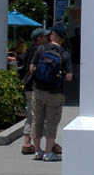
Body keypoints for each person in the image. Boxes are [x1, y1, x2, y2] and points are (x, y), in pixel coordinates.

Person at [29, 24, 73, 161]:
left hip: (39, 91)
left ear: (53, 35)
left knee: (37, 120)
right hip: (55, 93)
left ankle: (37, 151)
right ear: (63, 39)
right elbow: (69, 77)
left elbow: (31, 68)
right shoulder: (64, 54)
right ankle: (48, 153)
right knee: (52, 122)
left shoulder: (41, 49)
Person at [19, 28, 49, 154]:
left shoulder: (28, 51)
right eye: (45, 36)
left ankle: (28, 142)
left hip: (28, 87)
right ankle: (29, 143)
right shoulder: (40, 51)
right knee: (40, 116)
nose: (47, 38)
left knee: (32, 115)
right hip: (37, 87)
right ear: (39, 39)